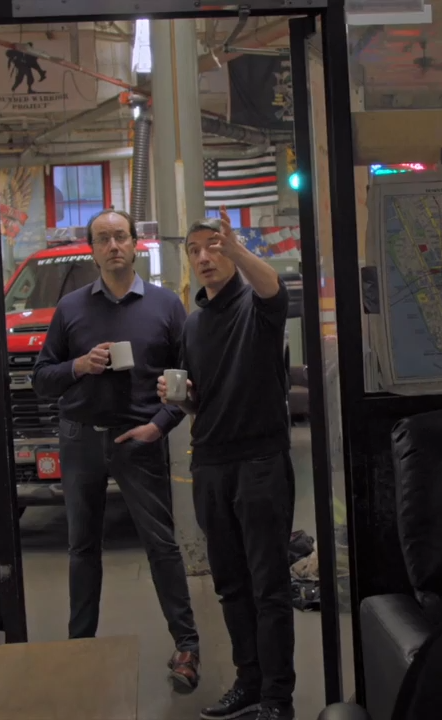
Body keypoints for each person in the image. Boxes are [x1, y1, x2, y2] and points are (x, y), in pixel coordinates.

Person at [33, 208, 201, 692]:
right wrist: (79, 366)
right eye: (103, 239)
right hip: (80, 437)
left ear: (134, 244)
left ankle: (187, 647)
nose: (113, 246)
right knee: (82, 548)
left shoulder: (167, 306)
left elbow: (187, 382)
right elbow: (42, 379)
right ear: (93, 249)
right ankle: (80, 645)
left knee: (161, 545)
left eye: (121, 237)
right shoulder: (70, 309)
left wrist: (159, 426)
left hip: (138, 439)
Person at [158, 210, 297, 720]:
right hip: (211, 464)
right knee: (231, 586)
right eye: (194, 250)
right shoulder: (194, 324)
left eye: (211, 247)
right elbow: (200, 398)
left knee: (269, 588)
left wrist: (237, 250)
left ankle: (279, 700)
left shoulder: (256, 306)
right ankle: (250, 684)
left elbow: (275, 289)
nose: (202, 257)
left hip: (260, 462)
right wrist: (183, 398)